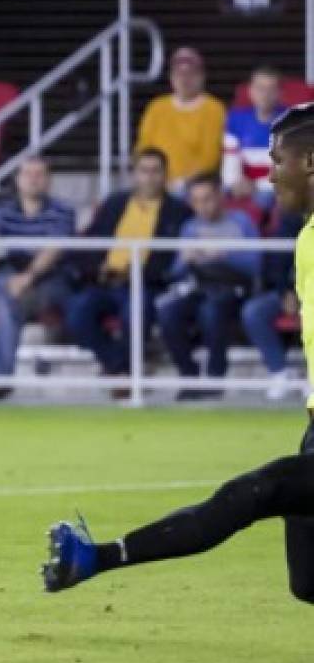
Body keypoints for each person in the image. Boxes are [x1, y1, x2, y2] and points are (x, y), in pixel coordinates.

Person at [42, 103, 314, 602]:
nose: (269, 177)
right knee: (308, 582)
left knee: (256, 493)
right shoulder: (304, 238)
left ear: (311, 163)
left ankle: (97, 557)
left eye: (277, 162)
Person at [63, 148, 190, 389]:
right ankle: (120, 368)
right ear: (134, 174)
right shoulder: (115, 203)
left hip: (146, 284)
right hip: (105, 282)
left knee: (136, 311)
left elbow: (172, 259)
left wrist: (136, 273)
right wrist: (97, 269)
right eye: (144, 171)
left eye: (156, 171)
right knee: (77, 313)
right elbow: (91, 241)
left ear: (165, 175)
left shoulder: (179, 212)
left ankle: (121, 374)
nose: (150, 177)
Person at [0, 157, 76, 399]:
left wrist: (28, 277)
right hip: (10, 277)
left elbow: (53, 250)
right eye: (27, 174)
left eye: (39, 174)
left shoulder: (63, 211)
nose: (33, 179)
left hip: (50, 280)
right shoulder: (3, 211)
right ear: (18, 180)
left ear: (49, 181)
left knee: (8, 301)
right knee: (1, 281)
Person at [156, 174, 260, 400]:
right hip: (199, 288)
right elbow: (175, 272)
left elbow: (256, 264)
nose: (203, 206)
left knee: (211, 311)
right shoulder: (190, 227)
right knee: (168, 312)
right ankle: (189, 376)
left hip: (233, 289)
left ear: (221, 197)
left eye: (208, 199)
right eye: (197, 200)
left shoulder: (241, 221)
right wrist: (186, 259)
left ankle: (215, 377)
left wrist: (224, 253)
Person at [135, 47, 226, 193]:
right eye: (179, 74)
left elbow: (210, 157)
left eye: (191, 74)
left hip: (194, 187)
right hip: (155, 182)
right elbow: (143, 148)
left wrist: (180, 183)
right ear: (171, 77)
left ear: (202, 76)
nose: (184, 79)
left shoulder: (214, 109)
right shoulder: (156, 107)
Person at [241, 208, 304, 401]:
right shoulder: (293, 217)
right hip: (297, 290)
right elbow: (278, 262)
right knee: (254, 311)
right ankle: (280, 372)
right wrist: (285, 292)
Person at [223, 65, 286, 212]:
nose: (265, 94)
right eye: (260, 88)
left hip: (273, 190)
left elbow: (287, 172)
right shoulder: (234, 119)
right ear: (250, 91)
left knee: (264, 198)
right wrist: (234, 184)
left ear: (280, 93)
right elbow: (229, 162)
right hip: (240, 185)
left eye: (271, 89)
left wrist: (256, 186)